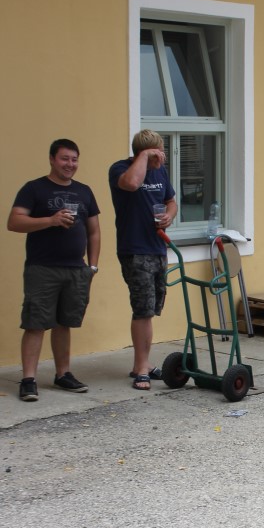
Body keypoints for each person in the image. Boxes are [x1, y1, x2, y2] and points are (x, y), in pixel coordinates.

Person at [7, 139, 100, 402]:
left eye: (74, 159)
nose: (70, 164)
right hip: (42, 268)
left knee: (64, 323)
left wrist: (92, 266)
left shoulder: (85, 191)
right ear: (51, 159)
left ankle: (63, 375)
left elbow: (94, 231)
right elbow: (14, 222)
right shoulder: (34, 188)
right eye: (64, 158)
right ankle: (28, 380)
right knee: (36, 324)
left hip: (76, 270)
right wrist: (51, 220)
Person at [109, 130, 177, 389]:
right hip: (134, 249)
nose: (163, 156)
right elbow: (131, 184)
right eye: (159, 151)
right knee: (143, 310)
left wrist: (169, 216)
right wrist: (145, 157)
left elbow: (171, 200)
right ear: (144, 152)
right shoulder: (121, 169)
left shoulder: (161, 172)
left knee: (152, 308)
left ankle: (145, 363)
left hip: (158, 248)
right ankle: (141, 368)